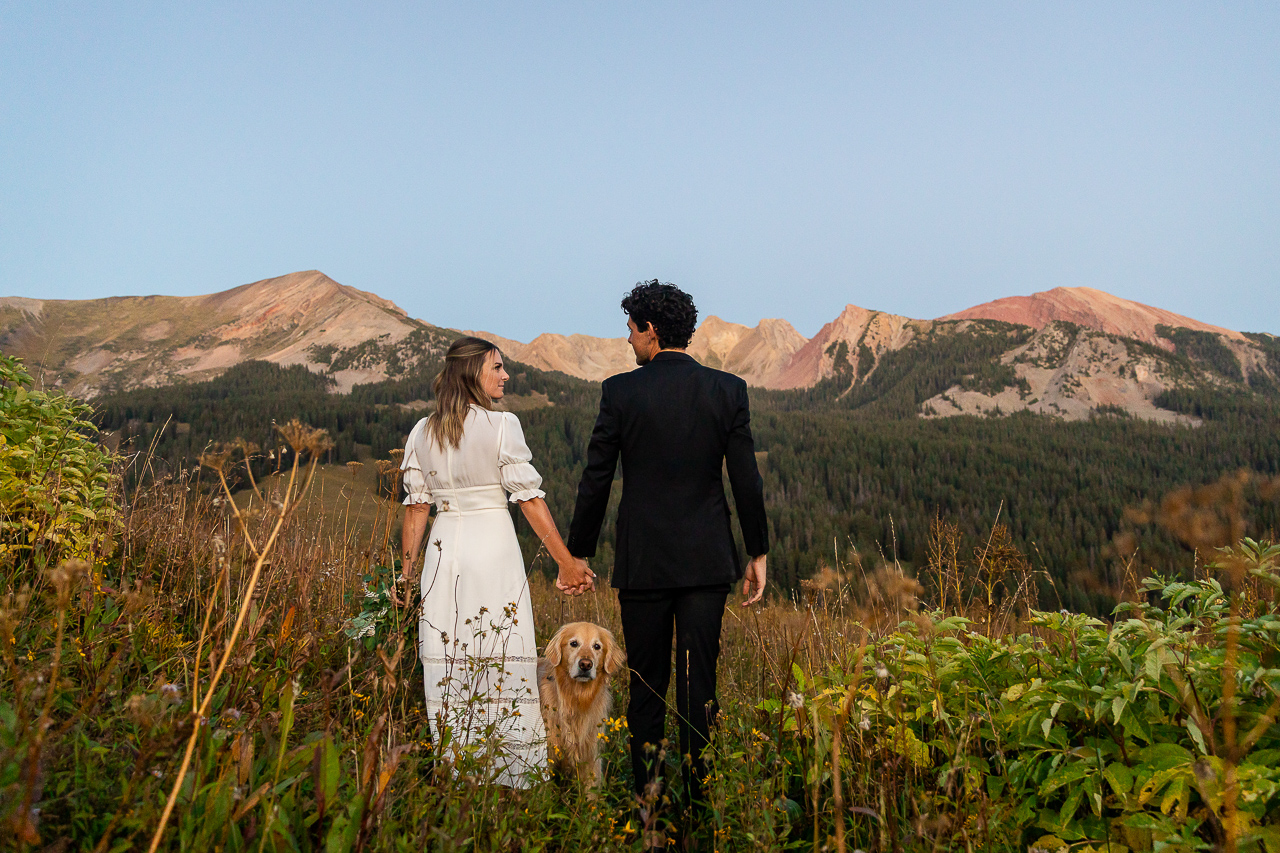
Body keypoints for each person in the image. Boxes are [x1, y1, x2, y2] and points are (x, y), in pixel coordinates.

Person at [565, 281, 769, 815]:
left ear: (650, 331)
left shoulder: (621, 392)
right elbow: (746, 479)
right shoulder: (728, 390)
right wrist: (759, 551)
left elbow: (597, 478)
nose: (627, 338)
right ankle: (700, 813)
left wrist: (578, 552)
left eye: (631, 328)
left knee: (647, 691)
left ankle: (649, 815)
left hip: (645, 564)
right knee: (699, 688)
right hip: (706, 563)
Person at [400, 336, 594, 787]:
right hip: (492, 548)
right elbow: (528, 500)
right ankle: (510, 777)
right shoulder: (503, 425)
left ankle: (456, 768)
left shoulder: (419, 432)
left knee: (448, 658)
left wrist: (407, 578)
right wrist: (565, 562)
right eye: (497, 368)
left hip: (443, 554)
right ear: (473, 374)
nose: (505, 375)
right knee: (502, 654)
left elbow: (416, 508)